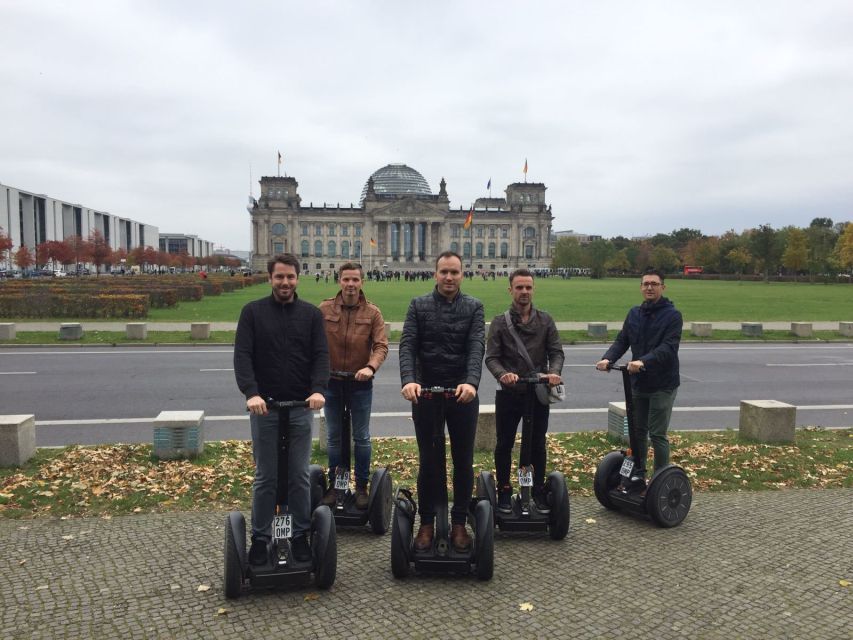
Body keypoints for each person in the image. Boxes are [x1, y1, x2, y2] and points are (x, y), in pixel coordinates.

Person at [234, 254, 329, 565]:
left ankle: (300, 534)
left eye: (290, 277)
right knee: (266, 477)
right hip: (266, 409)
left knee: (300, 475)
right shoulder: (252, 313)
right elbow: (243, 357)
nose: (285, 282)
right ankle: (260, 538)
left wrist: (317, 390)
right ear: (270, 278)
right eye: (280, 277)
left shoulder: (311, 315)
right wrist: (252, 393)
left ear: (297, 279)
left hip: (301, 407)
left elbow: (320, 357)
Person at [400, 251, 485, 553]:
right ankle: (426, 521)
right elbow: (408, 345)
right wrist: (409, 379)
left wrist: (471, 382)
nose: (449, 277)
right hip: (425, 395)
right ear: (435, 274)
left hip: (462, 394)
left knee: (462, 461)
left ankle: (459, 521)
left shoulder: (474, 307)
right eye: (444, 272)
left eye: (455, 272)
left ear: (463, 274)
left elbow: (476, 347)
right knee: (429, 461)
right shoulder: (418, 305)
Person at [485, 268, 564, 513]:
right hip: (510, 392)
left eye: (528, 287)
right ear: (510, 290)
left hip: (537, 393)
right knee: (504, 444)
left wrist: (554, 372)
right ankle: (505, 488)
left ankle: (536, 488)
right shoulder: (500, 322)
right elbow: (492, 357)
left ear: (534, 289)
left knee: (537, 443)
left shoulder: (545, 320)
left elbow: (556, 352)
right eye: (519, 287)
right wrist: (503, 374)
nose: (524, 292)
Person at [595, 267, 682, 488]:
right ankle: (638, 473)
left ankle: (660, 480)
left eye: (654, 283)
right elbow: (622, 340)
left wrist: (644, 361)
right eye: (646, 284)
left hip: (662, 383)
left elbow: (668, 348)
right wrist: (608, 358)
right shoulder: (634, 313)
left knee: (657, 434)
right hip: (639, 382)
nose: (650, 287)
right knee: (638, 431)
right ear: (641, 287)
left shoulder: (673, 316)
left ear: (663, 287)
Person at [318, 262, 388, 509]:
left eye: (355, 280)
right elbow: (314, 344)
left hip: (360, 384)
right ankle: (336, 484)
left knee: (362, 438)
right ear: (339, 281)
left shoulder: (372, 313)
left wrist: (370, 367)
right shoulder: (324, 309)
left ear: (362, 282)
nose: (350, 284)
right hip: (332, 383)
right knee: (335, 437)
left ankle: (361, 486)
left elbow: (381, 346)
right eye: (346, 279)